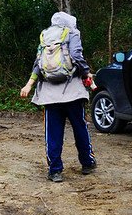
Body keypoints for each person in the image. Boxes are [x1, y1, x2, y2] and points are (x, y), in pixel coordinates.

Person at [20, 11, 96, 182]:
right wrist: (86, 74)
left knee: (53, 133)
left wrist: (29, 85)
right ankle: (87, 163)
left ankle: (55, 170)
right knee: (80, 129)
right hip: (73, 92)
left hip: (49, 95)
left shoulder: (45, 36)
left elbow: (38, 65)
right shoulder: (72, 33)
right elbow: (76, 56)